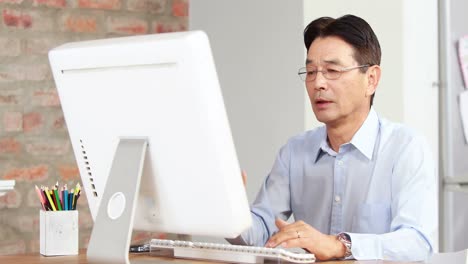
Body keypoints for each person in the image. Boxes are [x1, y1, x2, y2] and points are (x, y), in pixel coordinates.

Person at [229, 14, 437, 261]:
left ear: (371, 79)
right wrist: (229, 213)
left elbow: (417, 241)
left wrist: (341, 245)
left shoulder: (405, 147)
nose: (318, 83)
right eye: (310, 71)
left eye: (332, 70)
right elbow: (262, 233)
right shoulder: (295, 152)